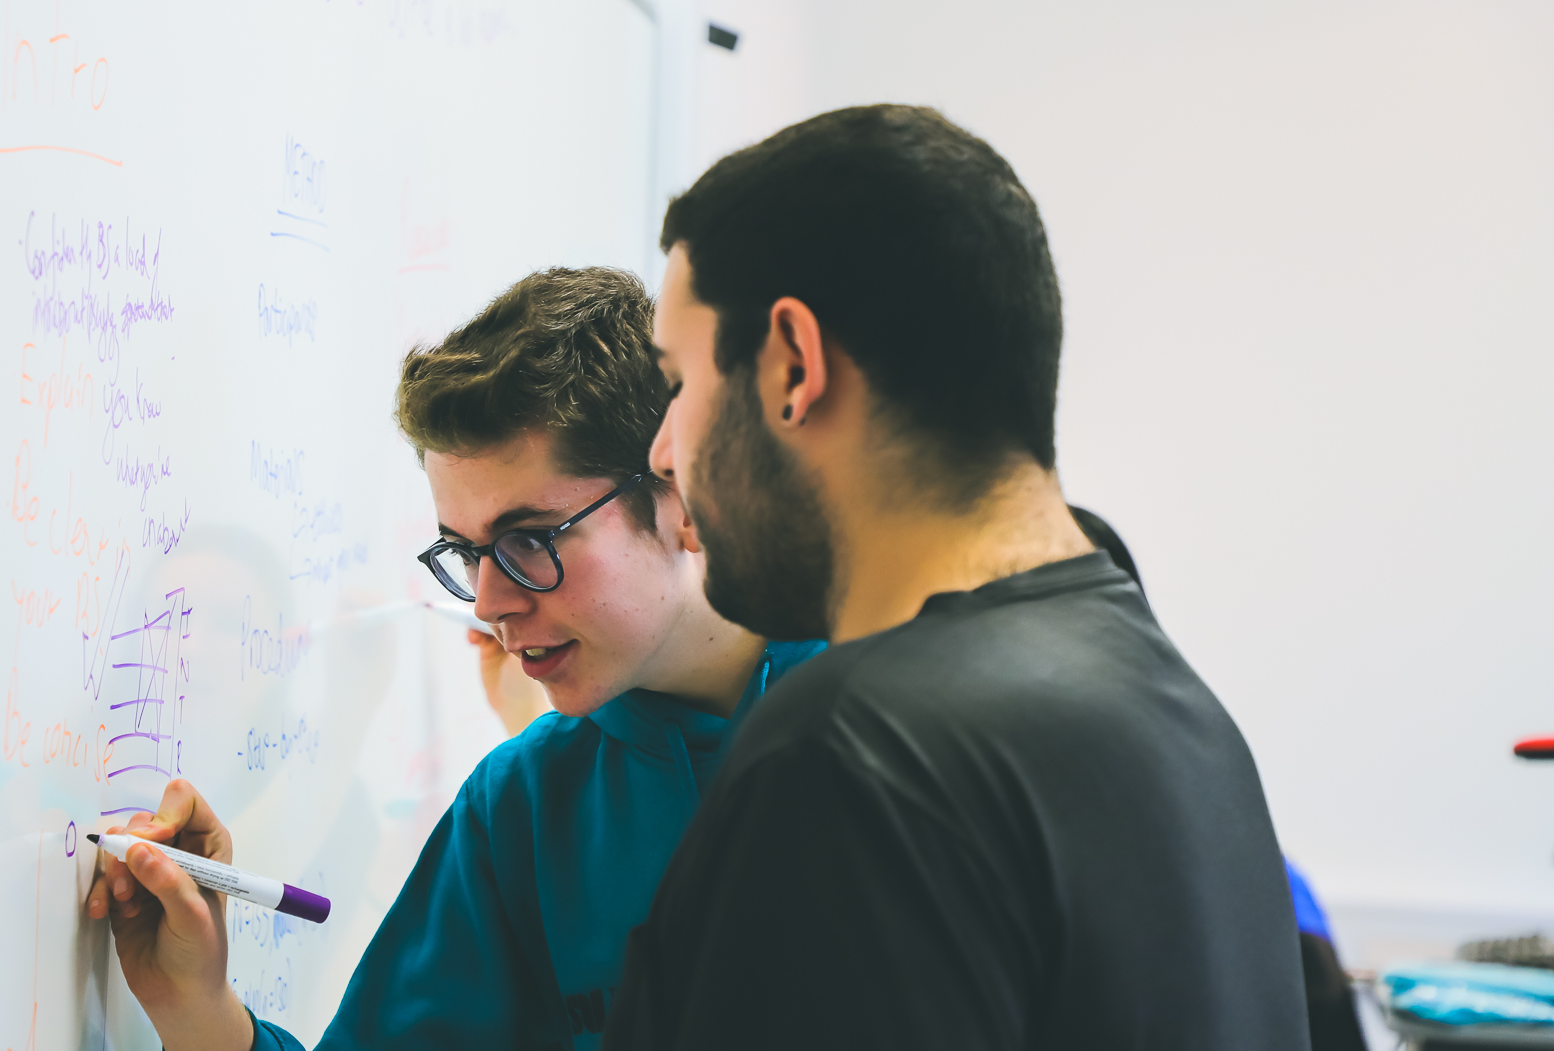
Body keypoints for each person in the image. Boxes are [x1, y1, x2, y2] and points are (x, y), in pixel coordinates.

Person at [607, 105, 1307, 1048]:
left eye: (680, 382)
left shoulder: (849, 761)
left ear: (792, 365)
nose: (662, 451)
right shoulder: (1176, 713)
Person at [85, 266, 823, 1051]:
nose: (489, 603)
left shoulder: (886, 728)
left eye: (529, 540)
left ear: (681, 491)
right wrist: (194, 1007)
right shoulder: (525, 809)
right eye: (467, 553)